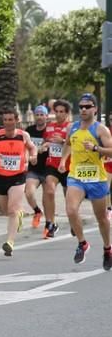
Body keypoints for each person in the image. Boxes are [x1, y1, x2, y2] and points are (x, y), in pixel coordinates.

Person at [59, 93, 112, 268]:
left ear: (95, 109)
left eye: (87, 106)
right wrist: (62, 161)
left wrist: (96, 148)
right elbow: (67, 144)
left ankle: (107, 248)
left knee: (102, 218)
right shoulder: (72, 128)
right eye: (81, 106)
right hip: (76, 176)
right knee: (71, 209)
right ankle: (82, 243)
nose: (83, 109)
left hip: (97, 179)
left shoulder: (100, 130)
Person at [0, 108, 39, 257]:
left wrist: (33, 156)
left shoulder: (23, 136)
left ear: (16, 120)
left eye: (10, 119)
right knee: (6, 211)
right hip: (1, 177)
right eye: (5, 120)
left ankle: (10, 242)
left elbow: (33, 148)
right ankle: (19, 215)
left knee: (13, 209)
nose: (8, 122)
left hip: (18, 176)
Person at [42, 99, 71, 238]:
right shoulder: (49, 127)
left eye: (61, 112)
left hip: (67, 166)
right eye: (56, 111)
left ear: (67, 113)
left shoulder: (71, 127)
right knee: (49, 190)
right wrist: (44, 145)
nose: (58, 114)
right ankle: (50, 223)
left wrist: (63, 141)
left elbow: (75, 145)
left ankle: (73, 221)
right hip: (52, 165)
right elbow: (45, 141)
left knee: (69, 197)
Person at [23, 105, 49, 229]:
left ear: (46, 116)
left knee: (47, 198)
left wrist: (47, 146)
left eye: (41, 115)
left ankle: (49, 224)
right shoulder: (29, 130)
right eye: (37, 114)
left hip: (48, 168)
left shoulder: (50, 130)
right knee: (29, 192)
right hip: (33, 168)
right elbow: (24, 147)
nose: (39, 117)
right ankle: (37, 211)